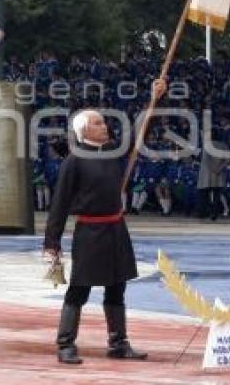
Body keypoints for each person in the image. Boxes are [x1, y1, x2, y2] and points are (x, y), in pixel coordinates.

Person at [43, 79, 165, 365]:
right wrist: (52, 243)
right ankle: (65, 344)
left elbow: (135, 135)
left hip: (116, 229)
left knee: (117, 287)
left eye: (103, 123)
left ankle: (118, 343)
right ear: (84, 130)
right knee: (79, 289)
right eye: (98, 123)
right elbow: (58, 205)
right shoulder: (73, 161)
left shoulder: (112, 151)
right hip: (90, 231)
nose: (105, 126)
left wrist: (153, 99)